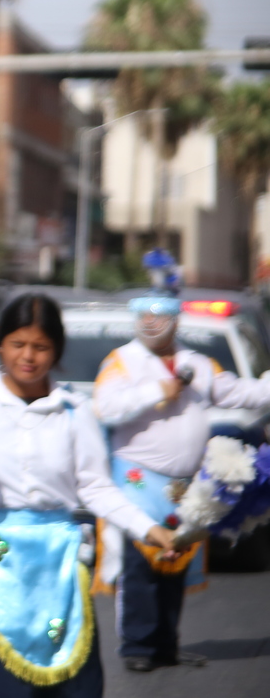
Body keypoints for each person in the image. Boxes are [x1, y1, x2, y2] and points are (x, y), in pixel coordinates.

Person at [0, 294, 175, 698]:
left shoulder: (75, 414)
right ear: (0, 345)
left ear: (56, 351)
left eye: (40, 347)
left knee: (77, 683)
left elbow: (95, 486)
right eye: (18, 344)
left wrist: (149, 529)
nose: (28, 357)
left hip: (58, 566)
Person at [92, 287, 270, 672]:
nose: (149, 323)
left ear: (175, 321)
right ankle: (137, 646)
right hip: (137, 481)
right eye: (143, 316)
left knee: (177, 560)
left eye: (158, 316)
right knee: (140, 563)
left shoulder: (198, 363)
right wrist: (157, 390)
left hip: (184, 485)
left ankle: (166, 644)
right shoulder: (121, 361)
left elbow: (236, 392)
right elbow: (105, 407)